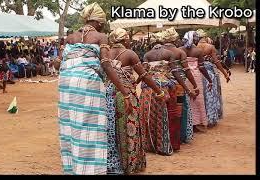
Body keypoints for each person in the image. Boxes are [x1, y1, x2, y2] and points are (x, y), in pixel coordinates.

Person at [53, 3, 132, 175]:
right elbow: (105, 64)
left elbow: (57, 63)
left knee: (70, 127)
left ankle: (73, 170)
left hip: (66, 84)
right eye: (102, 23)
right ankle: (90, 171)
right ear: (98, 22)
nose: (103, 26)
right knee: (90, 128)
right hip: (87, 84)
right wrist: (125, 93)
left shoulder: (70, 37)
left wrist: (74, 62)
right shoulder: (101, 37)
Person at [107, 28, 166, 174]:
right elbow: (145, 75)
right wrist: (159, 91)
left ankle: (114, 163)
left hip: (108, 93)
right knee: (130, 128)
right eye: (128, 39)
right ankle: (130, 165)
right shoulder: (129, 53)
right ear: (124, 39)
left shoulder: (105, 53)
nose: (129, 41)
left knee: (111, 128)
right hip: (125, 94)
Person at [140, 30, 196, 153]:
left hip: (148, 88)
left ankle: (150, 145)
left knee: (150, 116)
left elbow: (143, 73)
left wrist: (135, 83)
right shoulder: (169, 53)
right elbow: (175, 72)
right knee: (169, 116)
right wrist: (187, 89)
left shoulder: (147, 54)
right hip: (166, 88)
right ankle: (166, 144)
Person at [161, 28, 200, 143]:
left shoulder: (159, 51)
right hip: (179, 85)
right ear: (175, 39)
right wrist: (194, 86)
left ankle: (166, 136)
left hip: (162, 84)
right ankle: (180, 136)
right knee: (181, 110)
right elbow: (187, 71)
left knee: (166, 110)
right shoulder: (179, 52)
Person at [179, 30, 213, 132]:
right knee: (198, 100)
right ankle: (196, 123)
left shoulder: (179, 50)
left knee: (185, 99)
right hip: (196, 77)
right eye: (196, 37)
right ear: (195, 39)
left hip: (183, 76)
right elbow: (202, 68)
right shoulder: (198, 51)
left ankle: (186, 123)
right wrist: (209, 80)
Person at [196, 29, 230, 127]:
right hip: (209, 73)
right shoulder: (210, 47)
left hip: (199, 73)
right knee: (211, 95)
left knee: (202, 96)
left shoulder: (195, 47)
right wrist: (225, 74)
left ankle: (201, 119)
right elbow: (217, 63)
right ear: (206, 37)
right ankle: (211, 118)